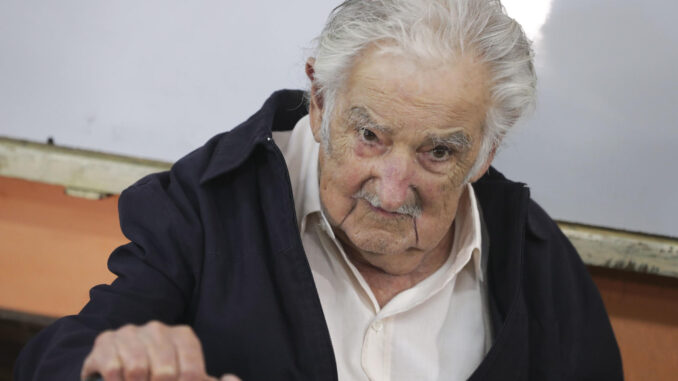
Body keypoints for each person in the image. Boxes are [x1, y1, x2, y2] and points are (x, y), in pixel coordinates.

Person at [15, 0, 623, 380]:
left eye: (438, 151)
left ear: (486, 151)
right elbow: (57, 359)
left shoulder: (538, 264)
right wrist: (119, 363)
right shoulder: (205, 208)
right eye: (369, 135)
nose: (392, 189)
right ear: (320, 101)